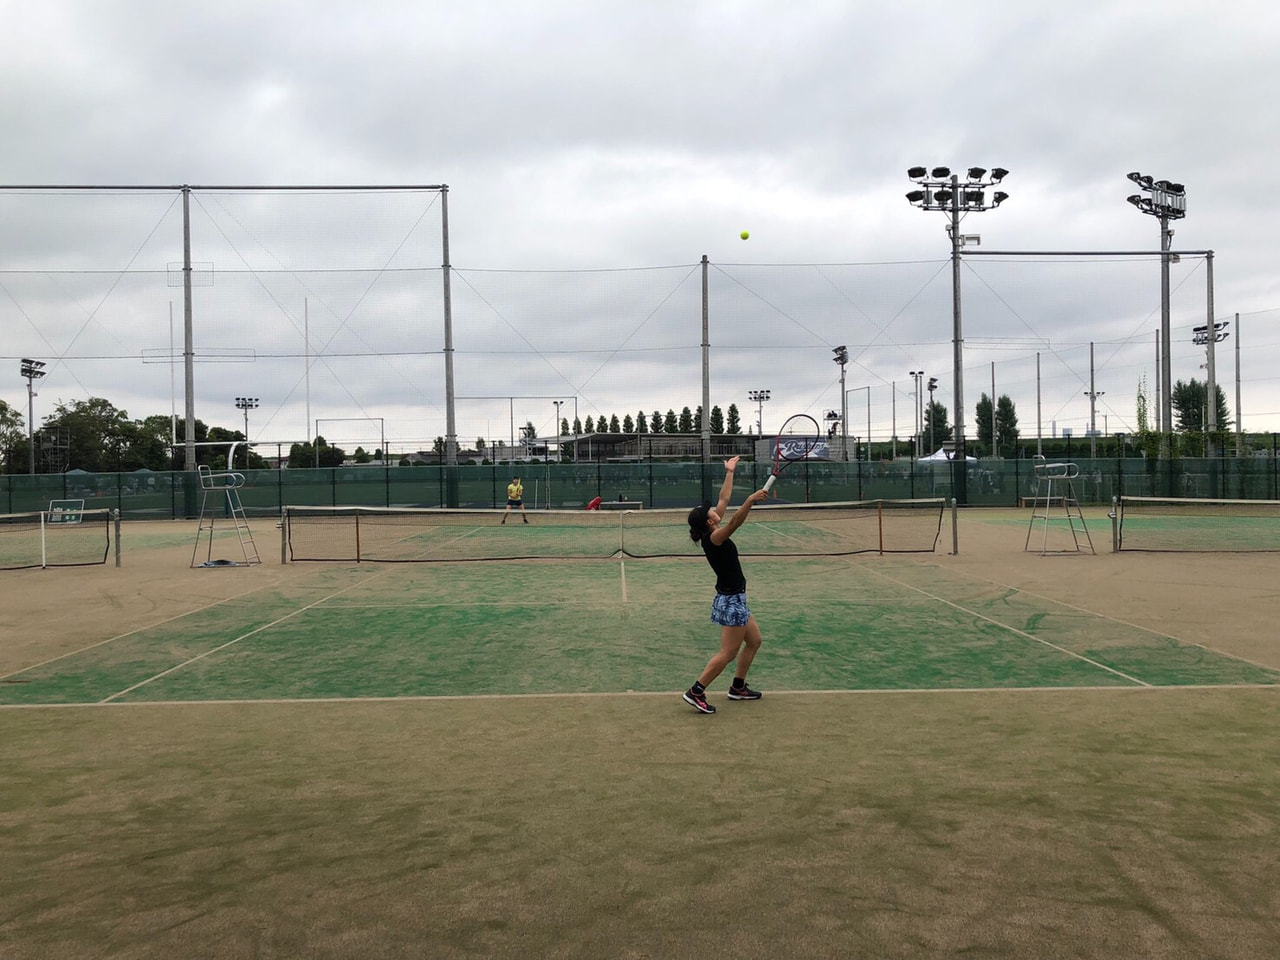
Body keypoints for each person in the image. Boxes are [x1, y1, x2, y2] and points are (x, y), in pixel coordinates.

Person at [682, 455, 769, 715]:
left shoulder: (711, 528)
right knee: (728, 652)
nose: (715, 509)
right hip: (731, 601)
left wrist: (730, 472)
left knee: (754, 641)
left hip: (734, 598)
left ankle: (738, 687)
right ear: (709, 522)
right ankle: (696, 691)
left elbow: (723, 501)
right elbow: (734, 522)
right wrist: (751, 501)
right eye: (709, 511)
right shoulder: (715, 538)